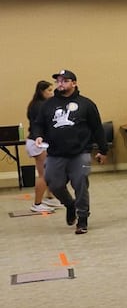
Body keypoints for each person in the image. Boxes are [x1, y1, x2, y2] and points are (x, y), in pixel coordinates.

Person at [28, 69, 108, 234]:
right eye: (58, 81)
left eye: (65, 80)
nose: (60, 84)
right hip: (56, 154)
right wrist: (38, 136)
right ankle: (69, 204)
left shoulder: (86, 104)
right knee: (54, 183)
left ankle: (83, 218)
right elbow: (38, 124)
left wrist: (103, 149)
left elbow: (97, 128)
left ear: (74, 83)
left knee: (80, 184)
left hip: (80, 153)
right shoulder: (48, 105)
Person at [25, 80, 63, 214]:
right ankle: (37, 204)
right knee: (44, 175)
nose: (51, 93)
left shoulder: (38, 104)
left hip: (40, 142)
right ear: (42, 91)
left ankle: (50, 197)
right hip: (37, 143)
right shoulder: (39, 106)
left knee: (50, 172)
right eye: (49, 91)